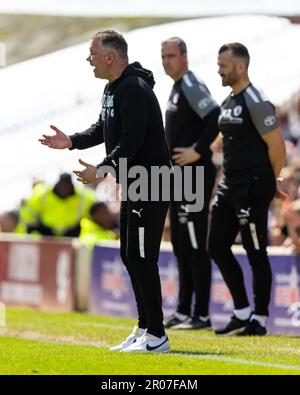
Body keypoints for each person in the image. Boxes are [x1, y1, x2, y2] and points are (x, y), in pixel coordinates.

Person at [39, 30, 171, 352]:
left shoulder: (135, 89)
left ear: (110, 57)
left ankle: (157, 334)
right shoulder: (114, 89)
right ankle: (144, 328)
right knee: (130, 255)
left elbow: (132, 141)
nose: (89, 59)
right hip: (135, 182)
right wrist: (71, 141)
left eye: (92, 53)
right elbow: (104, 127)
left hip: (151, 183)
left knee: (142, 257)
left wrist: (101, 170)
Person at [208, 43, 286, 336]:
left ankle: (260, 318)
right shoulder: (228, 100)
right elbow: (224, 142)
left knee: (255, 251)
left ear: (240, 67)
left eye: (223, 65)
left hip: (253, 186)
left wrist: (271, 183)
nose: (219, 70)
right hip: (231, 185)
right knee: (216, 246)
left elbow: (278, 149)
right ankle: (241, 311)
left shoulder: (256, 100)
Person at [161, 37, 220, 329]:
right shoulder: (176, 88)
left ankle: (202, 314)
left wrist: (198, 149)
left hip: (194, 175)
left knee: (196, 244)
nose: (166, 61)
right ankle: (184, 310)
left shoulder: (191, 85)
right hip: (178, 176)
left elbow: (215, 116)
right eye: (164, 56)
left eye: (171, 55)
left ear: (185, 56)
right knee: (181, 244)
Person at [20, 173, 95, 237]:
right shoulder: (42, 193)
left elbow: (94, 211)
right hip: (45, 232)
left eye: (67, 186)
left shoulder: (83, 197)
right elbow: (28, 212)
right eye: (62, 185)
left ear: (71, 186)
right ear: (58, 184)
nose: (64, 188)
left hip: (71, 233)